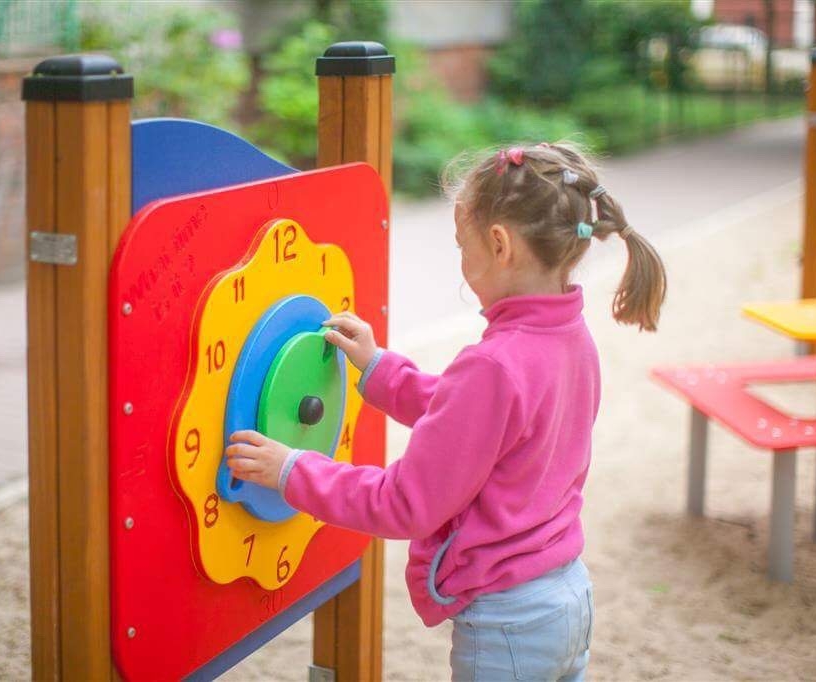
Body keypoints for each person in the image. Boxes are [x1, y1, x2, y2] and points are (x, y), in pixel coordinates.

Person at [225, 142, 667, 681]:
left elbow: (404, 504)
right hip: (566, 595)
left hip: (509, 622)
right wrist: (380, 368)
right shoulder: (571, 338)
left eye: (463, 245)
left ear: (500, 244)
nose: (461, 262)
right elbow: (476, 421)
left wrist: (291, 470)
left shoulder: (493, 365)